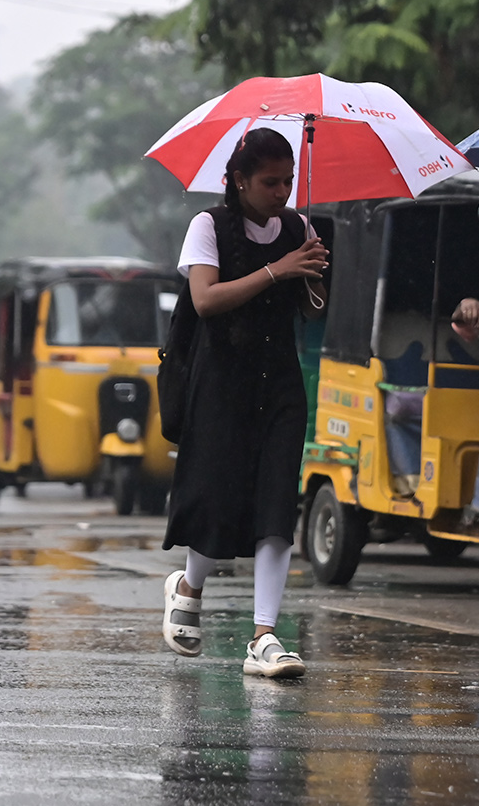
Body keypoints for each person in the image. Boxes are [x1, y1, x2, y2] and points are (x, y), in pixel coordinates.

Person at [161, 127, 329, 678]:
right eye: (269, 182)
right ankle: (189, 584)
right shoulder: (208, 226)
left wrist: (312, 275)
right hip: (220, 382)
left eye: (288, 181)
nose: (281, 192)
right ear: (238, 180)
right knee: (217, 494)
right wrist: (277, 269)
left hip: (278, 382)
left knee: (277, 503)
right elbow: (206, 299)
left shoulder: (299, 228)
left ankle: (264, 635)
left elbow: (309, 310)